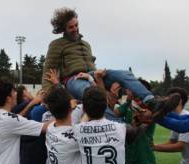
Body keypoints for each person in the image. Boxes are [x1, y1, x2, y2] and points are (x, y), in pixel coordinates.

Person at [41, 7, 180, 120]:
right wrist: (48, 96)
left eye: (76, 25)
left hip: (91, 75)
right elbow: (48, 71)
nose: (75, 29)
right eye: (71, 27)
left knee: (125, 74)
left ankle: (152, 102)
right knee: (91, 94)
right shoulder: (56, 45)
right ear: (63, 29)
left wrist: (100, 77)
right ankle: (119, 126)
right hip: (73, 80)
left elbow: (91, 65)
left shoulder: (86, 44)